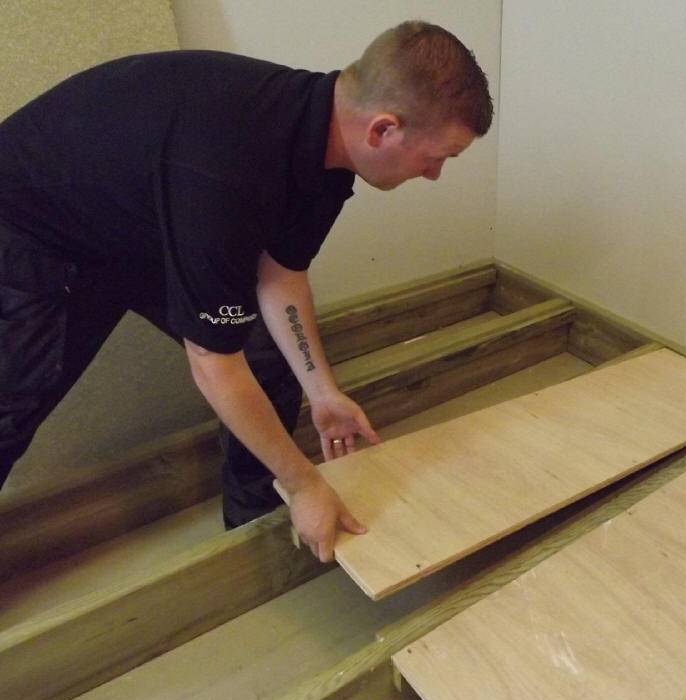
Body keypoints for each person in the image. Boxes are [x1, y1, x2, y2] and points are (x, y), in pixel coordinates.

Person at [0, 21, 493, 562]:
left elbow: (282, 278)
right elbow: (212, 361)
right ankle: (298, 497)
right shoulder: (228, 172)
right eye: (439, 155)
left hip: (136, 219)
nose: (435, 174)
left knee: (262, 352)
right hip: (31, 231)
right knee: (14, 402)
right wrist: (308, 482)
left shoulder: (324, 155)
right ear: (382, 130)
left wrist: (323, 393)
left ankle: (254, 524)